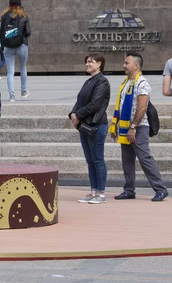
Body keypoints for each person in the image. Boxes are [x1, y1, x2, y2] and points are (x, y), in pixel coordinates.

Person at [110, 52, 168, 202]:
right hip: (125, 128)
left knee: (144, 158)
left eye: (126, 63)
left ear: (136, 66)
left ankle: (160, 189)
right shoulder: (125, 83)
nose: (124, 65)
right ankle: (129, 190)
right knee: (127, 160)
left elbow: (142, 107)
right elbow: (121, 107)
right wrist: (116, 125)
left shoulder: (142, 83)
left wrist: (133, 126)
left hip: (139, 127)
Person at [69, 53, 111, 204]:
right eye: (86, 62)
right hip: (85, 125)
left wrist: (78, 115)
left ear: (99, 64)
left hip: (97, 125)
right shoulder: (88, 82)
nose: (87, 64)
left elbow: (95, 104)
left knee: (98, 159)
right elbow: (80, 101)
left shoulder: (102, 82)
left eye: (90, 62)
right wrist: (73, 114)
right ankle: (93, 191)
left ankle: (101, 193)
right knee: (90, 160)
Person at [0, 0, 31, 102]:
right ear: (19, 5)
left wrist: (2, 46)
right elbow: (28, 32)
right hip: (21, 45)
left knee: (10, 71)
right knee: (22, 67)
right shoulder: (23, 16)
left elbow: (1, 33)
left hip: (8, 47)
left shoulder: (4, 16)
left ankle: (12, 96)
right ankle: (23, 91)